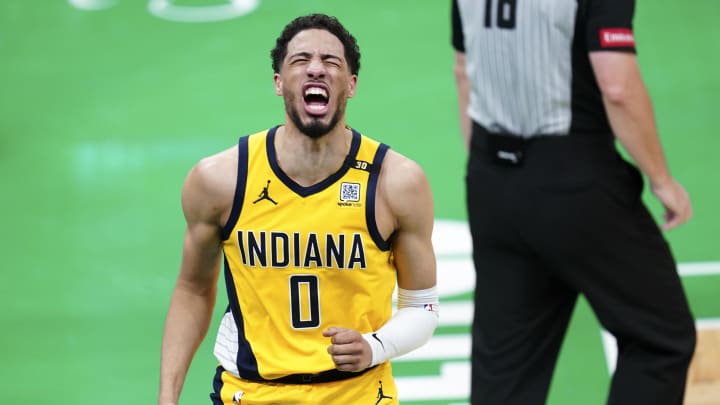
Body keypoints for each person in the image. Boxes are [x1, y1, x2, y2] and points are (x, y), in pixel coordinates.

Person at [158, 13, 439, 405]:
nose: (316, 69)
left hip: (357, 394)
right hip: (251, 393)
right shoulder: (221, 181)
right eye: (300, 60)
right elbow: (192, 289)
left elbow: (422, 308)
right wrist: (167, 397)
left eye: (331, 62)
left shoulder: (395, 182)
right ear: (279, 83)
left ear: (352, 85)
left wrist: (374, 347)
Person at [451, 1, 696, 404]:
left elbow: (464, 73)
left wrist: (500, 179)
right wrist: (661, 179)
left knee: (506, 369)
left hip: (491, 180)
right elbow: (616, 87)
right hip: (575, 181)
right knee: (660, 339)